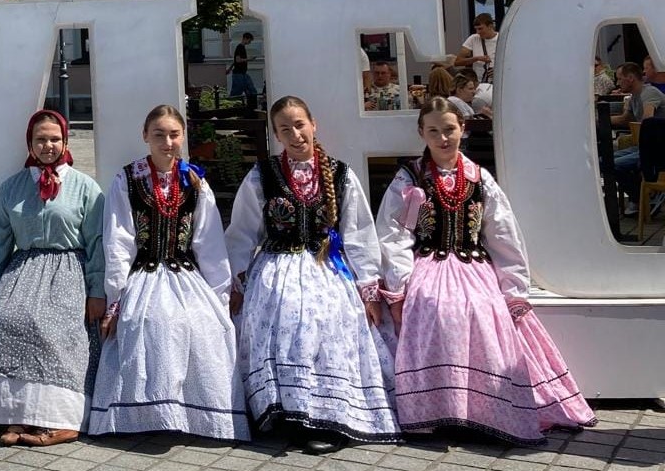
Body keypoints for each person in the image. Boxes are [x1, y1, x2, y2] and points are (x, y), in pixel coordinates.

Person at [376, 98, 596, 443]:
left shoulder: (480, 179)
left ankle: (484, 409)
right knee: (432, 306)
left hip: (472, 265)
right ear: (421, 133)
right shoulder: (410, 178)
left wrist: (513, 288)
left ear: (462, 129)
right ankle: (439, 408)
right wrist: (399, 283)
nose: (443, 138)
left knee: (483, 310)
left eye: (449, 129)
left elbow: (503, 234)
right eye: (433, 131)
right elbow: (394, 233)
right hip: (428, 263)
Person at [225, 96, 400, 453]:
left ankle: (329, 415)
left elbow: (359, 234)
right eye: (285, 129)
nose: (295, 134)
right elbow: (242, 232)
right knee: (285, 313)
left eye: (299, 124)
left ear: (313, 124)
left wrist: (368, 289)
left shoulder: (340, 174)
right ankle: (287, 411)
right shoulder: (262, 175)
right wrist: (235, 281)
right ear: (276, 135)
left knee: (329, 318)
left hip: (326, 268)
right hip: (277, 266)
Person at [90, 106, 248, 441]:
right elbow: (119, 242)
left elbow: (209, 243)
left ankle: (194, 413)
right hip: (145, 273)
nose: (167, 142)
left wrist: (221, 294)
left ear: (183, 137)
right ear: (145, 136)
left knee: (204, 324)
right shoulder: (128, 180)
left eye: (174, 134)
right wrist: (115, 298)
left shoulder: (195, 182)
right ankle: (145, 414)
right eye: (159, 134)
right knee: (150, 323)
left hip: (184, 274)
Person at [0, 110, 104, 446]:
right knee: (10, 318)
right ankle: (17, 413)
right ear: (30, 143)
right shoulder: (12, 187)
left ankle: (60, 421)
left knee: (53, 328)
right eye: (41, 139)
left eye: (55, 139)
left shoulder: (85, 187)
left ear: (65, 142)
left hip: (69, 272)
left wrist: (97, 290)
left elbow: (98, 243)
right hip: (22, 271)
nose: (48, 145)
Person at [610, 62, 665, 213]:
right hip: (643, 146)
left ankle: (642, 199)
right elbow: (624, 119)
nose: (617, 83)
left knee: (613, 164)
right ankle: (641, 196)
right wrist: (596, 120)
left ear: (630, 78)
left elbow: (648, 121)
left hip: (657, 150)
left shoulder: (649, 93)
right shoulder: (634, 96)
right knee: (605, 160)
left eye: (619, 78)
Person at [455, 13, 499, 84]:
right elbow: (457, 62)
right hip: (478, 83)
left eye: (480, 29)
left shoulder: (501, 39)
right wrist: (477, 58)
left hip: (497, 83)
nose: (478, 32)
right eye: (476, 29)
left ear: (490, 26)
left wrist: (499, 71)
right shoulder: (473, 38)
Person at [229, 32, 258, 110]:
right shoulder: (240, 47)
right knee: (236, 92)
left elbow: (235, 61)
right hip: (238, 74)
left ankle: (251, 108)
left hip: (243, 73)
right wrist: (249, 59)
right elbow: (238, 60)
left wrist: (229, 69)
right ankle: (231, 107)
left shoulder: (242, 47)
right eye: (249, 41)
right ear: (245, 38)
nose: (249, 43)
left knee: (252, 90)